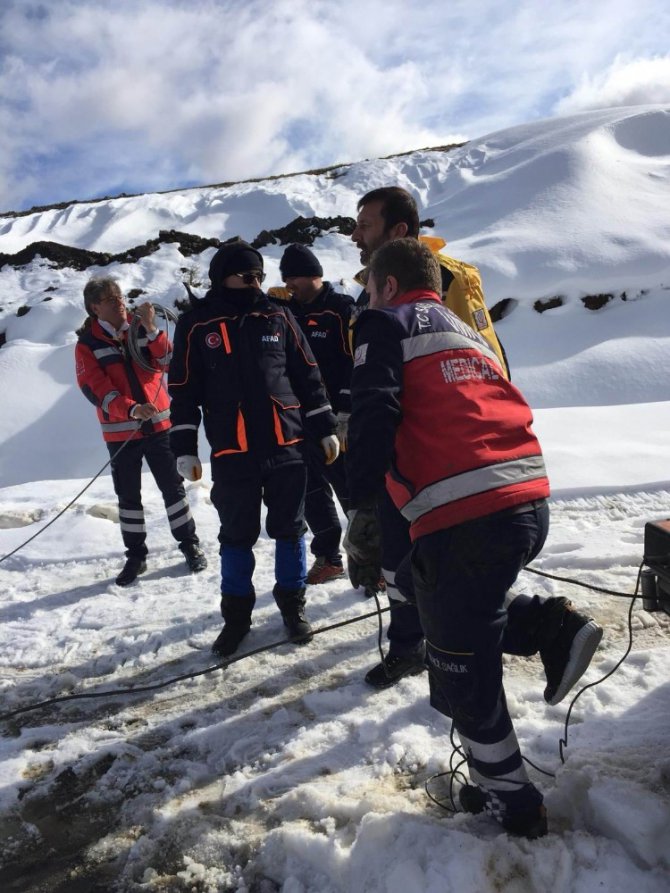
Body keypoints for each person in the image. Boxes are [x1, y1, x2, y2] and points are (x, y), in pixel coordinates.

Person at [344, 238, 603, 837]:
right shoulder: (463, 329)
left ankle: (512, 804)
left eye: (369, 284)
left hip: (464, 512)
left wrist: (361, 504)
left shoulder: (382, 323)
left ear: (386, 285)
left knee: (462, 668)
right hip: (525, 497)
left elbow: (375, 411)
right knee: (423, 585)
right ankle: (547, 624)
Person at [347, 186, 600, 695]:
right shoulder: (368, 292)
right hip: (402, 461)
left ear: (398, 230)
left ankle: (526, 638)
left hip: (442, 463)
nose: (356, 234)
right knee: (405, 572)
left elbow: (483, 360)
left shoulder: (449, 279)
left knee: (445, 580)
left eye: (366, 225)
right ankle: (410, 648)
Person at [168, 240, 339, 657]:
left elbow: (307, 374)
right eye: (247, 275)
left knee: (290, 531)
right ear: (222, 275)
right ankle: (236, 618)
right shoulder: (196, 324)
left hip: (287, 445)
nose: (256, 282)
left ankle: (293, 608)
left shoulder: (278, 315)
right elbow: (183, 392)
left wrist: (325, 426)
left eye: (260, 275)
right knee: (236, 537)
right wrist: (185, 447)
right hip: (233, 450)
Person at [75, 276, 207, 586]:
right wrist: (131, 408)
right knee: (128, 497)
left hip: (160, 426)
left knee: (173, 490)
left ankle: (189, 545)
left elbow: (167, 361)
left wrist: (151, 329)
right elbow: (95, 388)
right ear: (95, 308)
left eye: (119, 296)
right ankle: (136, 556)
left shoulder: (139, 329)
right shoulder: (88, 345)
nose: (119, 302)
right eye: (110, 299)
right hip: (122, 434)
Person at [278, 243, 354, 584]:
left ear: (314, 275)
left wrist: (349, 411)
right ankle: (329, 557)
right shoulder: (284, 310)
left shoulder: (340, 309)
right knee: (311, 492)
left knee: (352, 489)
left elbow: (356, 361)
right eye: (285, 278)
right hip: (300, 420)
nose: (289, 283)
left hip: (339, 419)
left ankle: (373, 557)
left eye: (294, 277)